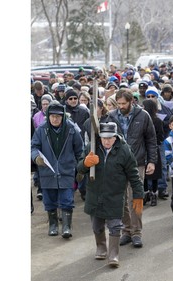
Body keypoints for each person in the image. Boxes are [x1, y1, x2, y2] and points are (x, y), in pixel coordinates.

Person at [77, 122, 144, 267]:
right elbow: (79, 170)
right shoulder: (92, 148)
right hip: (95, 195)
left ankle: (113, 254)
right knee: (96, 226)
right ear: (100, 137)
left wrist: (138, 195)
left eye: (110, 138)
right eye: (104, 138)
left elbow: (134, 174)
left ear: (115, 137)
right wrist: (85, 163)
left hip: (115, 195)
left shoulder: (125, 151)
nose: (107, 141)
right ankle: (101, 248)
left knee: (115, 226)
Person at [105, 88, 158, 248]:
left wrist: (152, 161)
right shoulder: (111, 117)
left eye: (123, 103)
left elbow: (151, 139)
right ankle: (126, 231)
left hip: (138, 162)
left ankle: (136, 233)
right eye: (118, 103)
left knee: (135, 197)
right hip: (117, 164)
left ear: (131, 102)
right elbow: (106, 140)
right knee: (122, 200)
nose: (120, 106)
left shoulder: (143, 116)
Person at [31, 101, 83, 238]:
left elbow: (79, 150)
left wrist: (81, 169)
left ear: (63, 117)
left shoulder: (71, 129)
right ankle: (53, 225)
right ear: (48, 116)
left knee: (67, 199)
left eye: (58, 116)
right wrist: (36, 157)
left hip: (66, 170)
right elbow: (33, 147)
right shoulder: (41, 129)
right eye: (53, 116)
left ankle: (66, 226)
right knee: (49, 200)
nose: (55, 119)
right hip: (47, 171)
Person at [142, 99, 164, 206]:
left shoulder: (152, 121)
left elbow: (160, 136)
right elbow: (161, 137)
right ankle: (151, 193)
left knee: (149, 173)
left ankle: (149, 193)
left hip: (148, 148)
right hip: (151, 148)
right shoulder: (156, 121)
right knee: (150, 173)